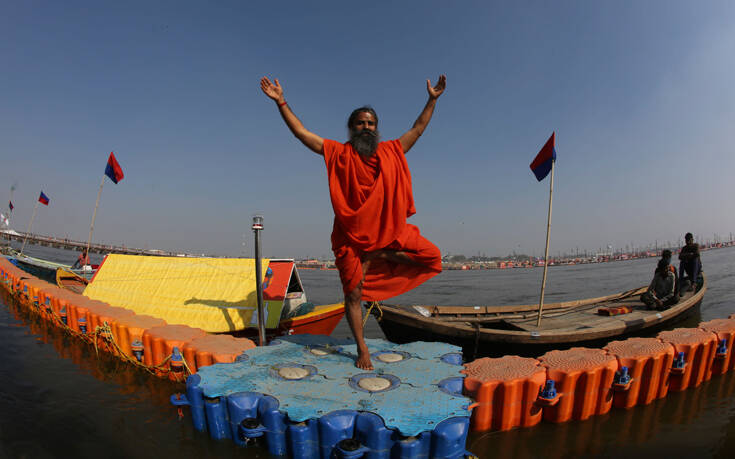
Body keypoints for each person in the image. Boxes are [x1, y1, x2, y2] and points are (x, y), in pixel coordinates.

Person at [260, 75, 446, 369]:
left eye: (371, 123)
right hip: (350, 237)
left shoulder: (390, 152)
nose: (366, 127)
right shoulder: (339, 152)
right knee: (353, 294)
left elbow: (418, 129)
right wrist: (281, 101)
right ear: (352, 127)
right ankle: (362, 349)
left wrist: (432, 99)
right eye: (361, 122)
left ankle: (379, 254)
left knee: (432, 256)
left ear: (376, 128)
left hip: (388, 234)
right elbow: (301, 133)